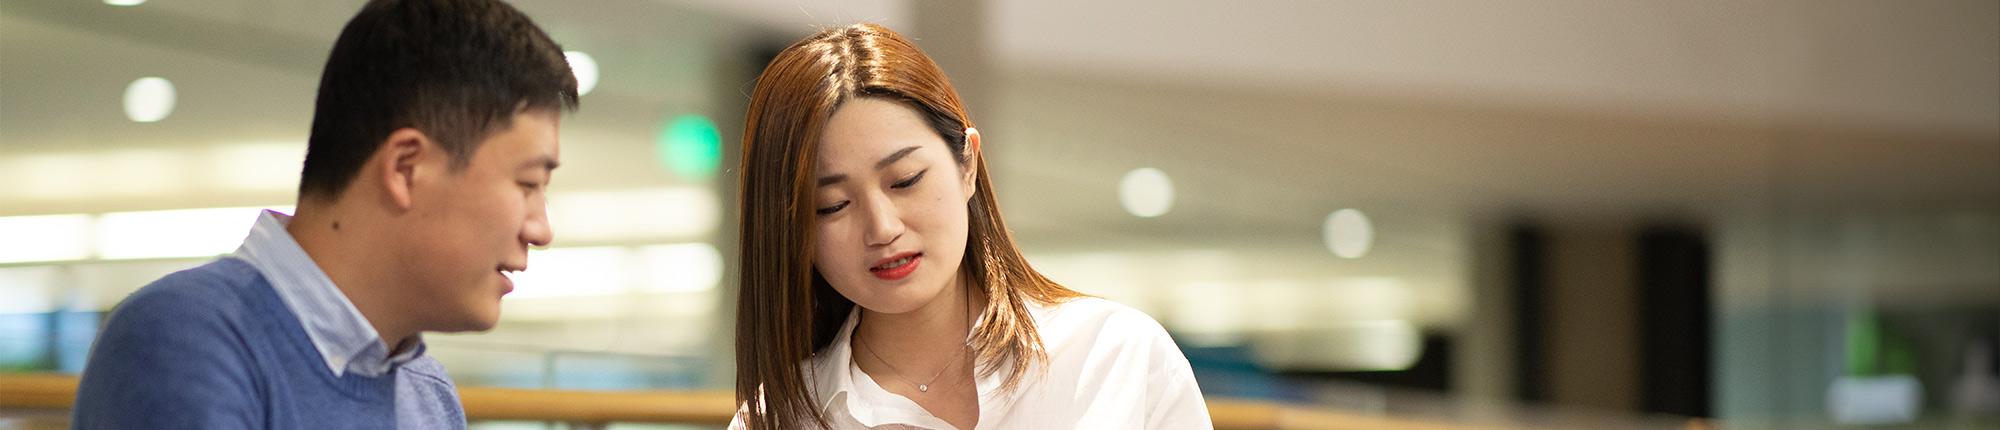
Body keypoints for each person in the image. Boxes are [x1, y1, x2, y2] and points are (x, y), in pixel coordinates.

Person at [70, 0, 577, 428]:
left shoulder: (428, 398)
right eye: (528, 184)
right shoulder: (183, 342)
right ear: (406, 169)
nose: (541, 228)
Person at [732, 23, 1213, 429]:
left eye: (905, 181)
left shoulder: (1109, 357)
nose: (881, 227)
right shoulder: (779, 417)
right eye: (832, 206)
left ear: (968, 165)